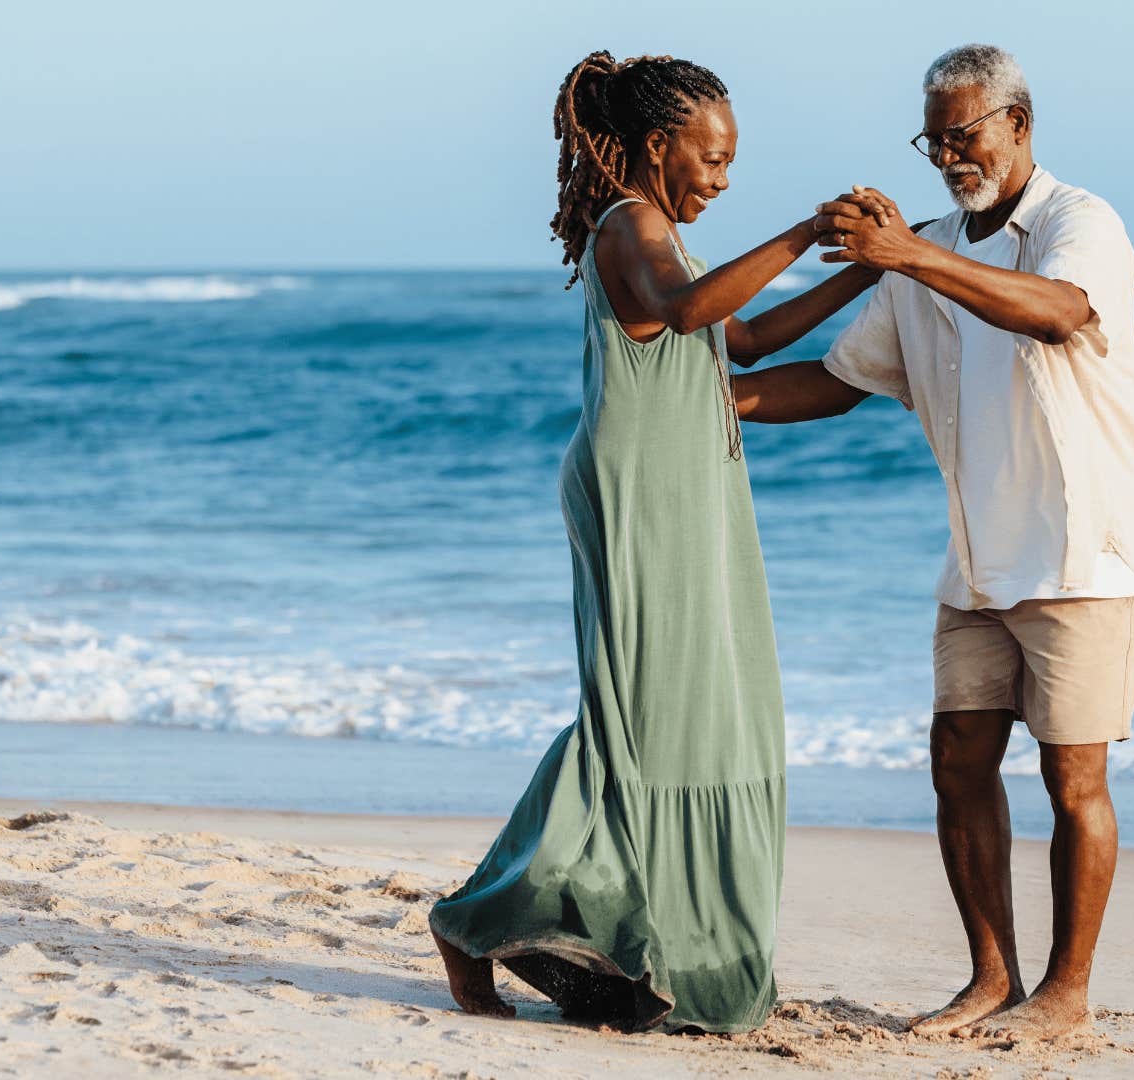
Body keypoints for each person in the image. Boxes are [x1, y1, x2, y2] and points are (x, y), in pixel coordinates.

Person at [428, 50, 887, 1034]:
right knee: (630, 724)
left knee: (697, 715)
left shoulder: (667, 238)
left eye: (731, 162)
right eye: (711, 158)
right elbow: (688, 310)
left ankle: (670, 949)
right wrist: (810, 230)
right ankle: (470, 925)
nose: (721, 179)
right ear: (653, 147)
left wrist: (871, 271)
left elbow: (744, 341)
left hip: (689, 492)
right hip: (639, 496)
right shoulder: (633, 226)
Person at [733, 43, 1134, 1042]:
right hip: (980, 556)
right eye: (932, 139)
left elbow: (1059, 313)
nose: (947, 156)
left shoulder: (1078, 222)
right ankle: (990, 979)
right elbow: (840, 382)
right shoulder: (923, 250)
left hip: (1086, 551)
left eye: (963, 134)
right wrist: (706, 406)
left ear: (1019, 125)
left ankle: (1065, 995)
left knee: (1074, 778)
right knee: (957, 758)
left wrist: (912, 254)